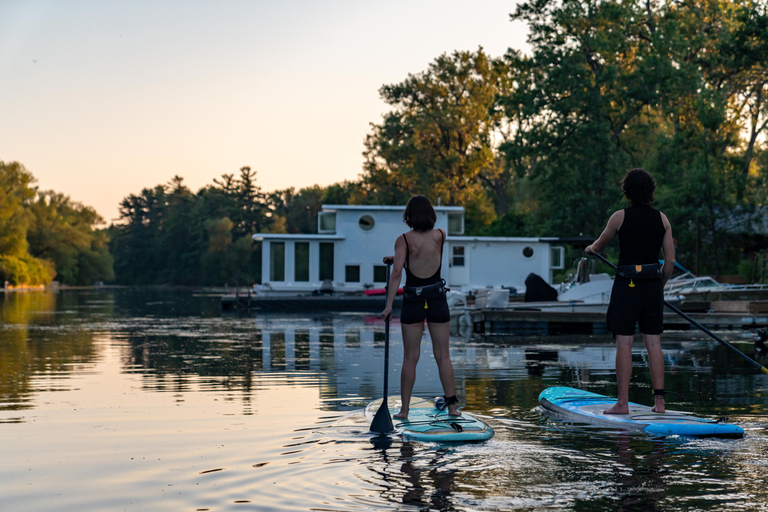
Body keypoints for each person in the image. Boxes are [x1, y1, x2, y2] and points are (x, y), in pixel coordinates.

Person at [585, 168, 675, 414]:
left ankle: (622, 403)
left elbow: (600, 245)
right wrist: (659, 286)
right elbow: (669, 262)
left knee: (624, 344)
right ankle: (659, 404)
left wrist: (590, 248)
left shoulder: (618, 217)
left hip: (627, 286)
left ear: (627, 191)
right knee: (654, 344)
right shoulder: (663, 219)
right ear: (651, 190)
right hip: (651, 286)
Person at [381, 195, 460, 419]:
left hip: (414, 301)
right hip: (436, 299)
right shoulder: (441, 236)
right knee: (443, 356)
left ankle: (404, 411)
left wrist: (388, 306)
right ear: (430, 214)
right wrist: (397, 258)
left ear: (409, 216)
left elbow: (397, 273)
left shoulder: (403, 241)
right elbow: (424, 257)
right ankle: (453, 408)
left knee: (410, 358)